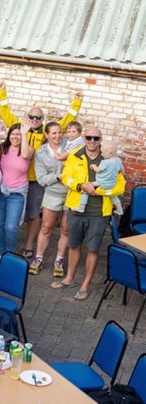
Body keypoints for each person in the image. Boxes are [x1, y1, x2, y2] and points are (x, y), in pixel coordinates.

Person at [0, 81, 83, 259]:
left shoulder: (47, 132)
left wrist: (76, 102)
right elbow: (5, 113)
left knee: (33, 214)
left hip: (37, 180)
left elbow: (66, 121)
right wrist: (2, 91)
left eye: (38, 118)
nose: (35, 120)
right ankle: (7, 242)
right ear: (27, 116)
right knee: (10, 214)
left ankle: (29, 244)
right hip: (18, 180)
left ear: (42, 120)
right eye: (32, 117)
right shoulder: (21, 127)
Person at [54, 127, 125, 300]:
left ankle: (85, 284)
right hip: (76, 208)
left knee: (93, 249)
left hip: (99, 212)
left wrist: (100, 191)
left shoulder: (110, 158)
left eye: (96, 138)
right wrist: (81, 186)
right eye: (89, 137)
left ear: (101, 140)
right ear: (84, 137)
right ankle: (69, 278)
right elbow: (66, 177)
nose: (92, 141)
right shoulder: (75, 155)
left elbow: (121, 185)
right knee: (74, 245)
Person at [31, 123, 70, 277]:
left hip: (71, 194)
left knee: (66, 229)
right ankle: (39, 258)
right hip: (52, 193)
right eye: (53, 133)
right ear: (46, 135)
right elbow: (41, 179)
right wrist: (58, 177)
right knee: (46, 227)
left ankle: (59, 260)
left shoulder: (70, 146)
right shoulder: (41, 153)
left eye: (60, 132)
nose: (57, 136)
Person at [0, 122, 35, 256]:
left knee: (11, 227)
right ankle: (1, 250)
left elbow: (24, 155)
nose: (15, 137)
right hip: (1, 191)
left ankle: (9, 254)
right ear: (8, 135)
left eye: (18, 134)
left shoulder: (29, 150)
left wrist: (24, 134)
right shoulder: (2, 149)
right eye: (13, 134)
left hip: (16, 194)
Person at [78, 140, 123, 214]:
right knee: (113, 196)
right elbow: (122, 171)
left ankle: (81, 208)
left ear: (111, 153)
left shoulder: (105, 162)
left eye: (103, 153)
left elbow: (98, 170)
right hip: (112, 184)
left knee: (86, 190)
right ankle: (120, 210)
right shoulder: (118, 160)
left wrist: (93, 166)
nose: (101, 154)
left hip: (101, 183)